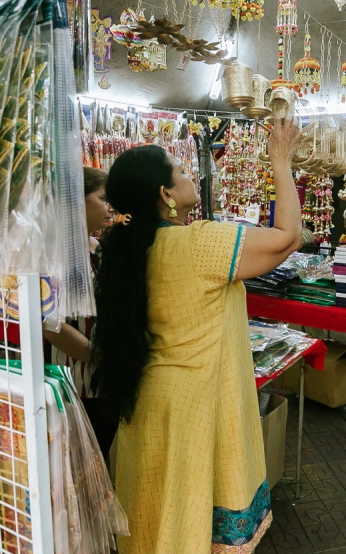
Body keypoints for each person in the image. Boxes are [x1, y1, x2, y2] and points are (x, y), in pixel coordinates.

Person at [94, 118, 303, 553]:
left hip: (149, 405)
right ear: (166, 196)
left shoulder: (127, 249)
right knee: (184, 528)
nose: (190, 175)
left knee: (155, 522)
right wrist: (281, 162)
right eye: (182, 171)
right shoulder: (200, 244)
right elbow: (288, 238)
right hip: (193, 412)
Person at [42, 166, 118, 456]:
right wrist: (97, 356)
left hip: (104, 383)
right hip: (75, 385)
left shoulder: (97, 247)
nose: (110, 208)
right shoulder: (57, 255)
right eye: (103, 198)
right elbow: (51, 325)